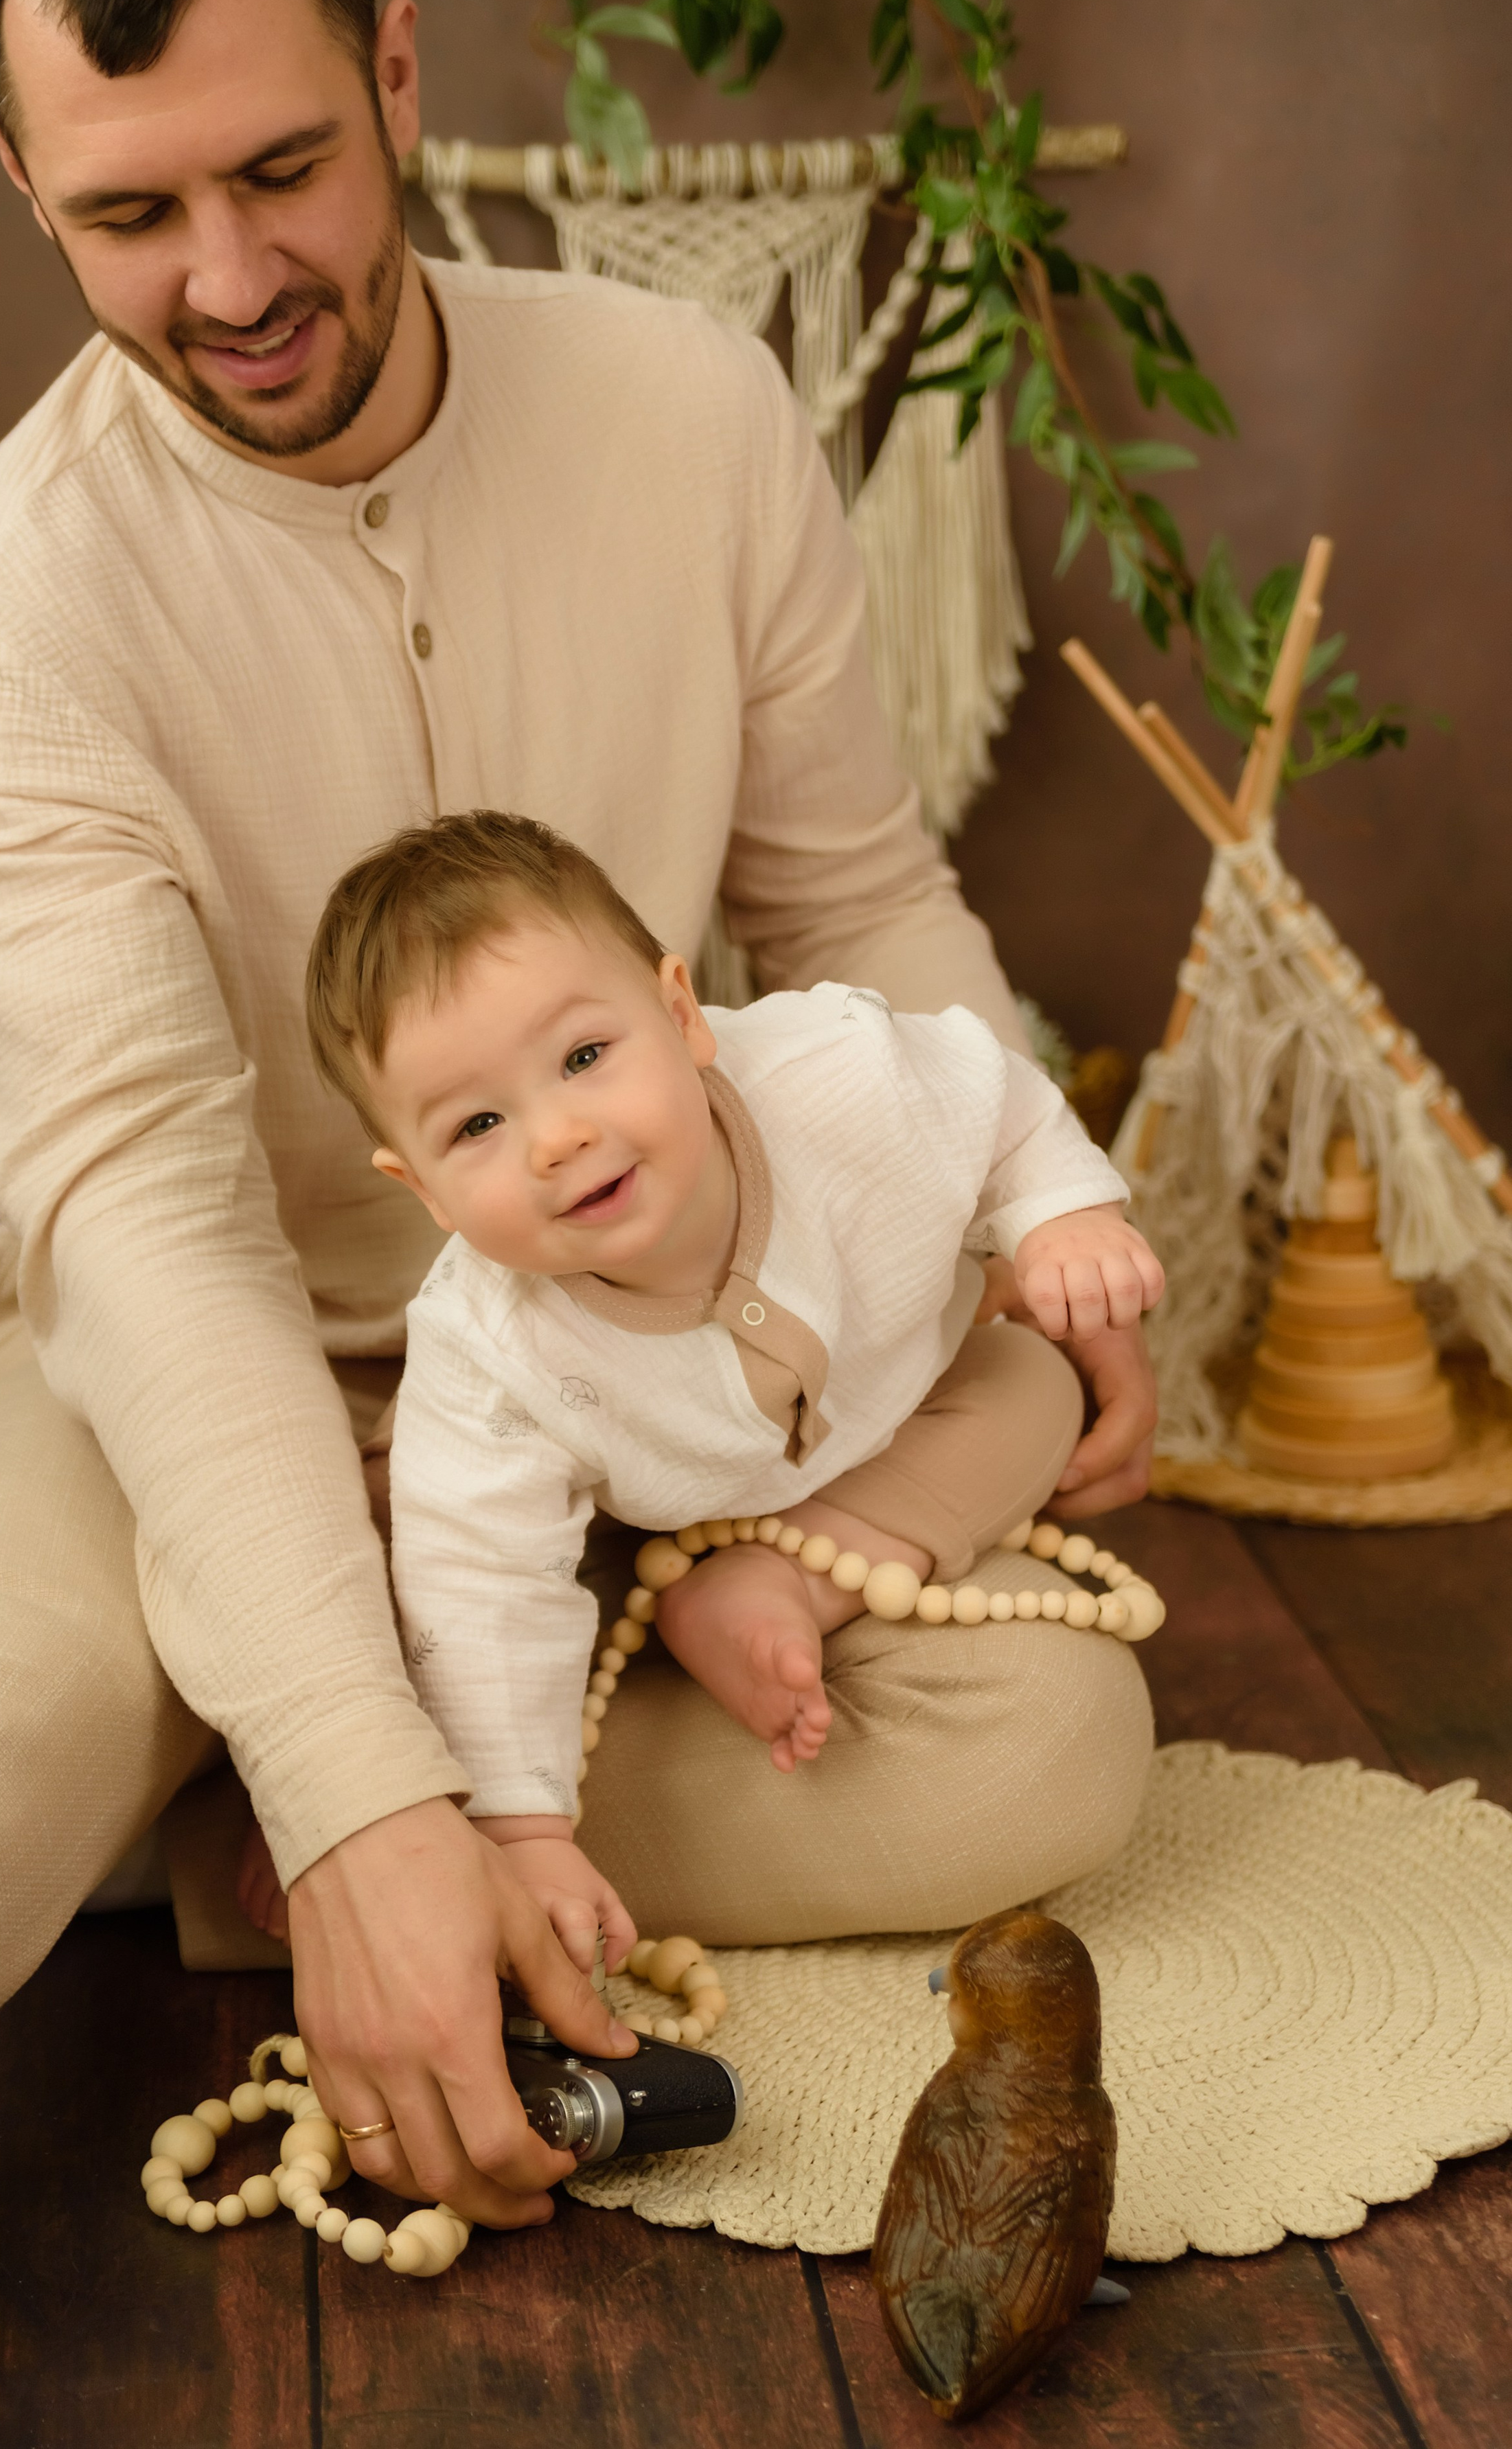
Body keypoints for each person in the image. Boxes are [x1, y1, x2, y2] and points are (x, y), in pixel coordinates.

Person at [0, 0, 1156, 2288]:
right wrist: (362, 1766)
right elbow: (151, 1230)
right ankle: (276, 1793)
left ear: (396, 77)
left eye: (285, 169)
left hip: (652, 1354)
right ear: (14, 171)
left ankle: (233, 1844)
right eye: (129, 213)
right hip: (187, 1368)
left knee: (1054, 1748)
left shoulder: (691, 413)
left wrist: (1032, 1224)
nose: (231, 280)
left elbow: (856, 907)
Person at [289, 810, 1161, 1968]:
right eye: (480, 1124)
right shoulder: (492, 1349)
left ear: (682, 1013)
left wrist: (1060, 1219)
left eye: (584, 1057)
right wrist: (527, 1831)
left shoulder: (840, 1077)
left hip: (882, 1429)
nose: (557, 1137)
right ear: (426, 1192)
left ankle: (787, 1579)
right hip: (616, 1518)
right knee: (427, 1560)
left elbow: (998, 1103)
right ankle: (373, 1841)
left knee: (1032, 1384)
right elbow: (482, 1584)